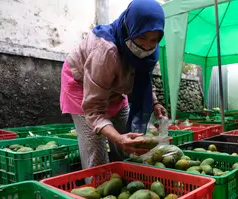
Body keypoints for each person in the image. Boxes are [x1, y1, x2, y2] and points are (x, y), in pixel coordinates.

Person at [59, 0, 167, 170]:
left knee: (129, 139)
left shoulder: (148, 52)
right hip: (81, 84)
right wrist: (116, 138)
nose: (147, 46)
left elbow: (142, 77)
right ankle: (96, 185)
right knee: (96, 148)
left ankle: (124, 177)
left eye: (154, 40)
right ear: (130, 28)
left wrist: (154, 102)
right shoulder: (106, 52)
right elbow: (94, 109)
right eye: (142, 37)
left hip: (115, 87)